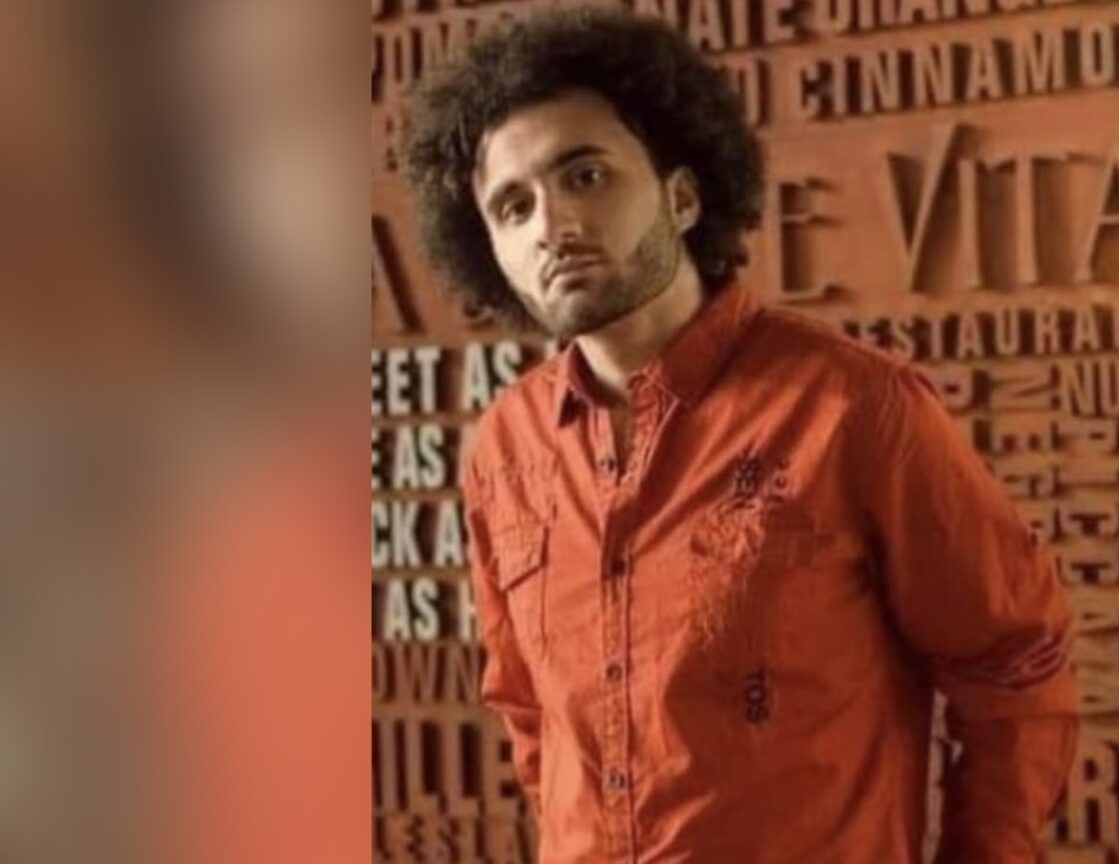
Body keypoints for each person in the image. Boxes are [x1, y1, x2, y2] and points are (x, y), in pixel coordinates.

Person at [403, 6, 1078, 862]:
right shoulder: (506, 447)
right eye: (513, 206)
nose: (551, 225)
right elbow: (528, 712)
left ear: (681, 197)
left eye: (586, 176)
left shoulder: (854, 409)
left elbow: (1014, 668)